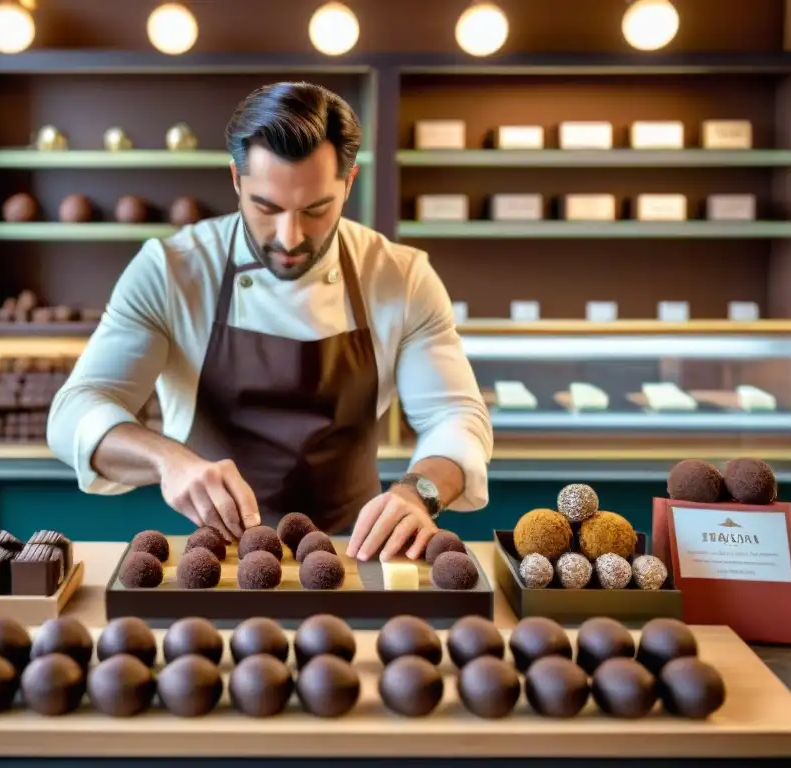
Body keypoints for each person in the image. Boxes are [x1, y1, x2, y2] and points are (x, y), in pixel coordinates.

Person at [47, 81, 493, 561]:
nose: (290, 237)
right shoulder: (172, 270)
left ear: (349, 183)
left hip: (354, 555)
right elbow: (76, 409)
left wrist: (417, 492)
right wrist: (169, 459)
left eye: (316, 209)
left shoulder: (401, 276)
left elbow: (456, 416)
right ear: (237, 181)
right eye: (266, 207)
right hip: (208, 559)